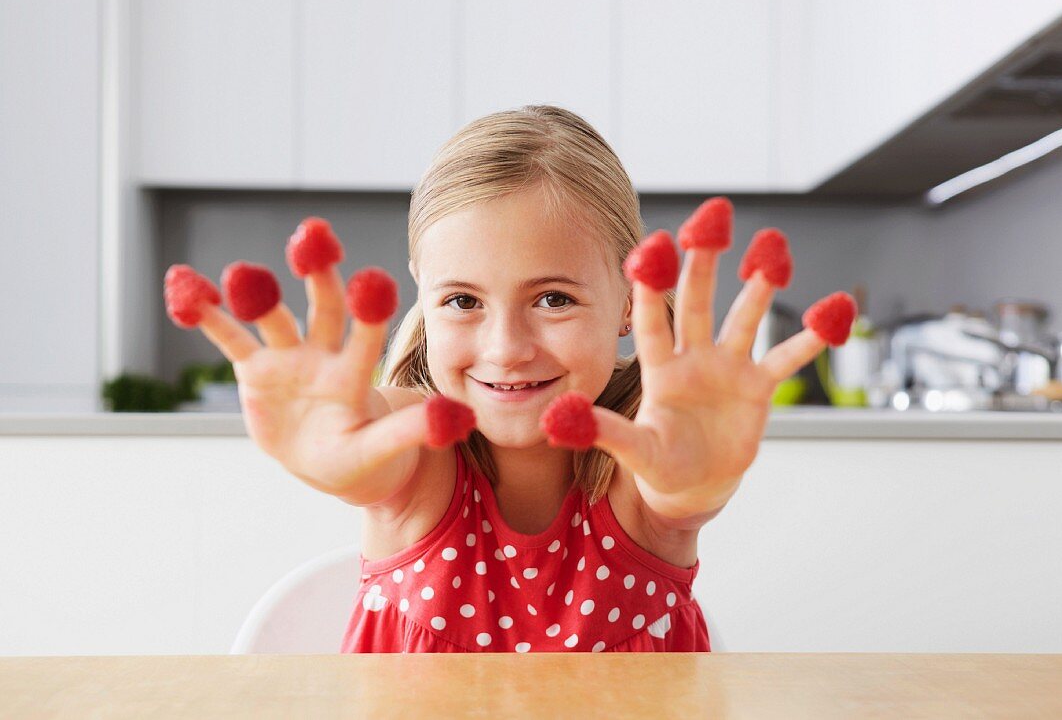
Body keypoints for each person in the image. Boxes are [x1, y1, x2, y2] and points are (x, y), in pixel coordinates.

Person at [171, 105, 833, 653]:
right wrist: (328, 446)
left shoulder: (642, 472)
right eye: (463, 301)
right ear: (422, 295)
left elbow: (676, 490)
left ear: (629, 297)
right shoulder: (421, 458)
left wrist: (700, 479)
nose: (506, 348)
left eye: (553, 299)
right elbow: (373, 449)